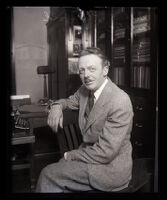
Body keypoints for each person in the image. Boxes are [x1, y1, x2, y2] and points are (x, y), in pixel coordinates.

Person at [36, 47, 134, 193]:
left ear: (105, 70)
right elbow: (67, 102)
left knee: (47, 174)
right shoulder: (84, 90)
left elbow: (105, 153)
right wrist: (56, 106)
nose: (86, 75)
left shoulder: (119, 100)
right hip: (90, 157)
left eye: (92, 69)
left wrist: (70, 155)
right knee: (56, 171)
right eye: (82, 70)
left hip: (109, 169)